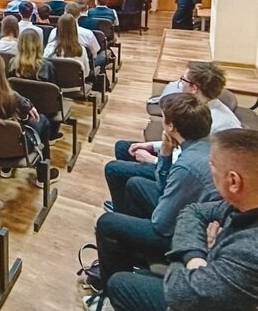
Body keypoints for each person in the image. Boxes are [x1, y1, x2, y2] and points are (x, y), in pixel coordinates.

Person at [106, 128, 258, 311]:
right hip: (206, 280)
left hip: (193, 299)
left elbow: (179, 293)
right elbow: (193, 211)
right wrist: (196, 255)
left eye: (212, 164)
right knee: (135, 185)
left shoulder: (249, 250)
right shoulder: (241, 203)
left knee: (119, 283)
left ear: (234, 182)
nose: (208, 167)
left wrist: (200, 255)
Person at [91, 94, 219, 309]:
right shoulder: (206, 146)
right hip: (191, 224)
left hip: (186, 239)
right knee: (135, 185)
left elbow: (160, 223)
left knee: (106, 223)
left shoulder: (187, 165)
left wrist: (165, 157)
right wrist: (166, 153)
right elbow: (163, 189)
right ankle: (132, 252)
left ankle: (108, 292)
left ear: (171, 126)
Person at [104, 61, 242, 213]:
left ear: (194, 88)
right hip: (176, 159)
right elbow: (181, 142)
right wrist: (151, 146)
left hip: (185, 176)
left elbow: (193, 165)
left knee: (113, 169)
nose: (179, 84)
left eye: (182, 80)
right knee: (123, 147)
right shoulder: (199, 108)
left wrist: (153, 160)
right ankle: (126, 205)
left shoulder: (216, 123)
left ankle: (123, 213)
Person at [0, 48, 59, 187]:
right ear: (0, 70)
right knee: (42, 121)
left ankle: (6, 168)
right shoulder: (9, 98)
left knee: (4, 130)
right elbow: (24, 120)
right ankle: (43, 176)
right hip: (16, 150)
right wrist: (25, 104)